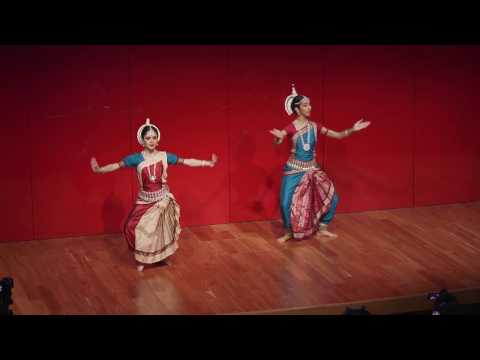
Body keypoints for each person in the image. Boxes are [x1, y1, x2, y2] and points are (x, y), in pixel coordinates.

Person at [91, 118, 218, 271]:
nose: (151, 141)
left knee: (160, 230)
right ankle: (141, 258)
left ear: (158, 139)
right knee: (130, 227)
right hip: (145, 200)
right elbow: (116, 165)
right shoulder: (135, 159)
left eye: (154, 137)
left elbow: (186, 161)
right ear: (142, 141)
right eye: (148, 138)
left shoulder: (165, 156)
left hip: (163, 199)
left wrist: (207, 163)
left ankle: (161, 258)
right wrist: (100, 169)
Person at [270, 84, 370, 243]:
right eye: (305, 105)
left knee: (333, 198)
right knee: (284, 203)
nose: (309, 107)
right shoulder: (291, 127)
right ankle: (289, 231)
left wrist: (352, 129)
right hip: (294, 170)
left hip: (312, 169)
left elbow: (337, 135)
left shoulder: (315, 126)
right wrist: (278, 138)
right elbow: (280, 138)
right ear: (297, 109)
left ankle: (323, 228)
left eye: (309, 104)